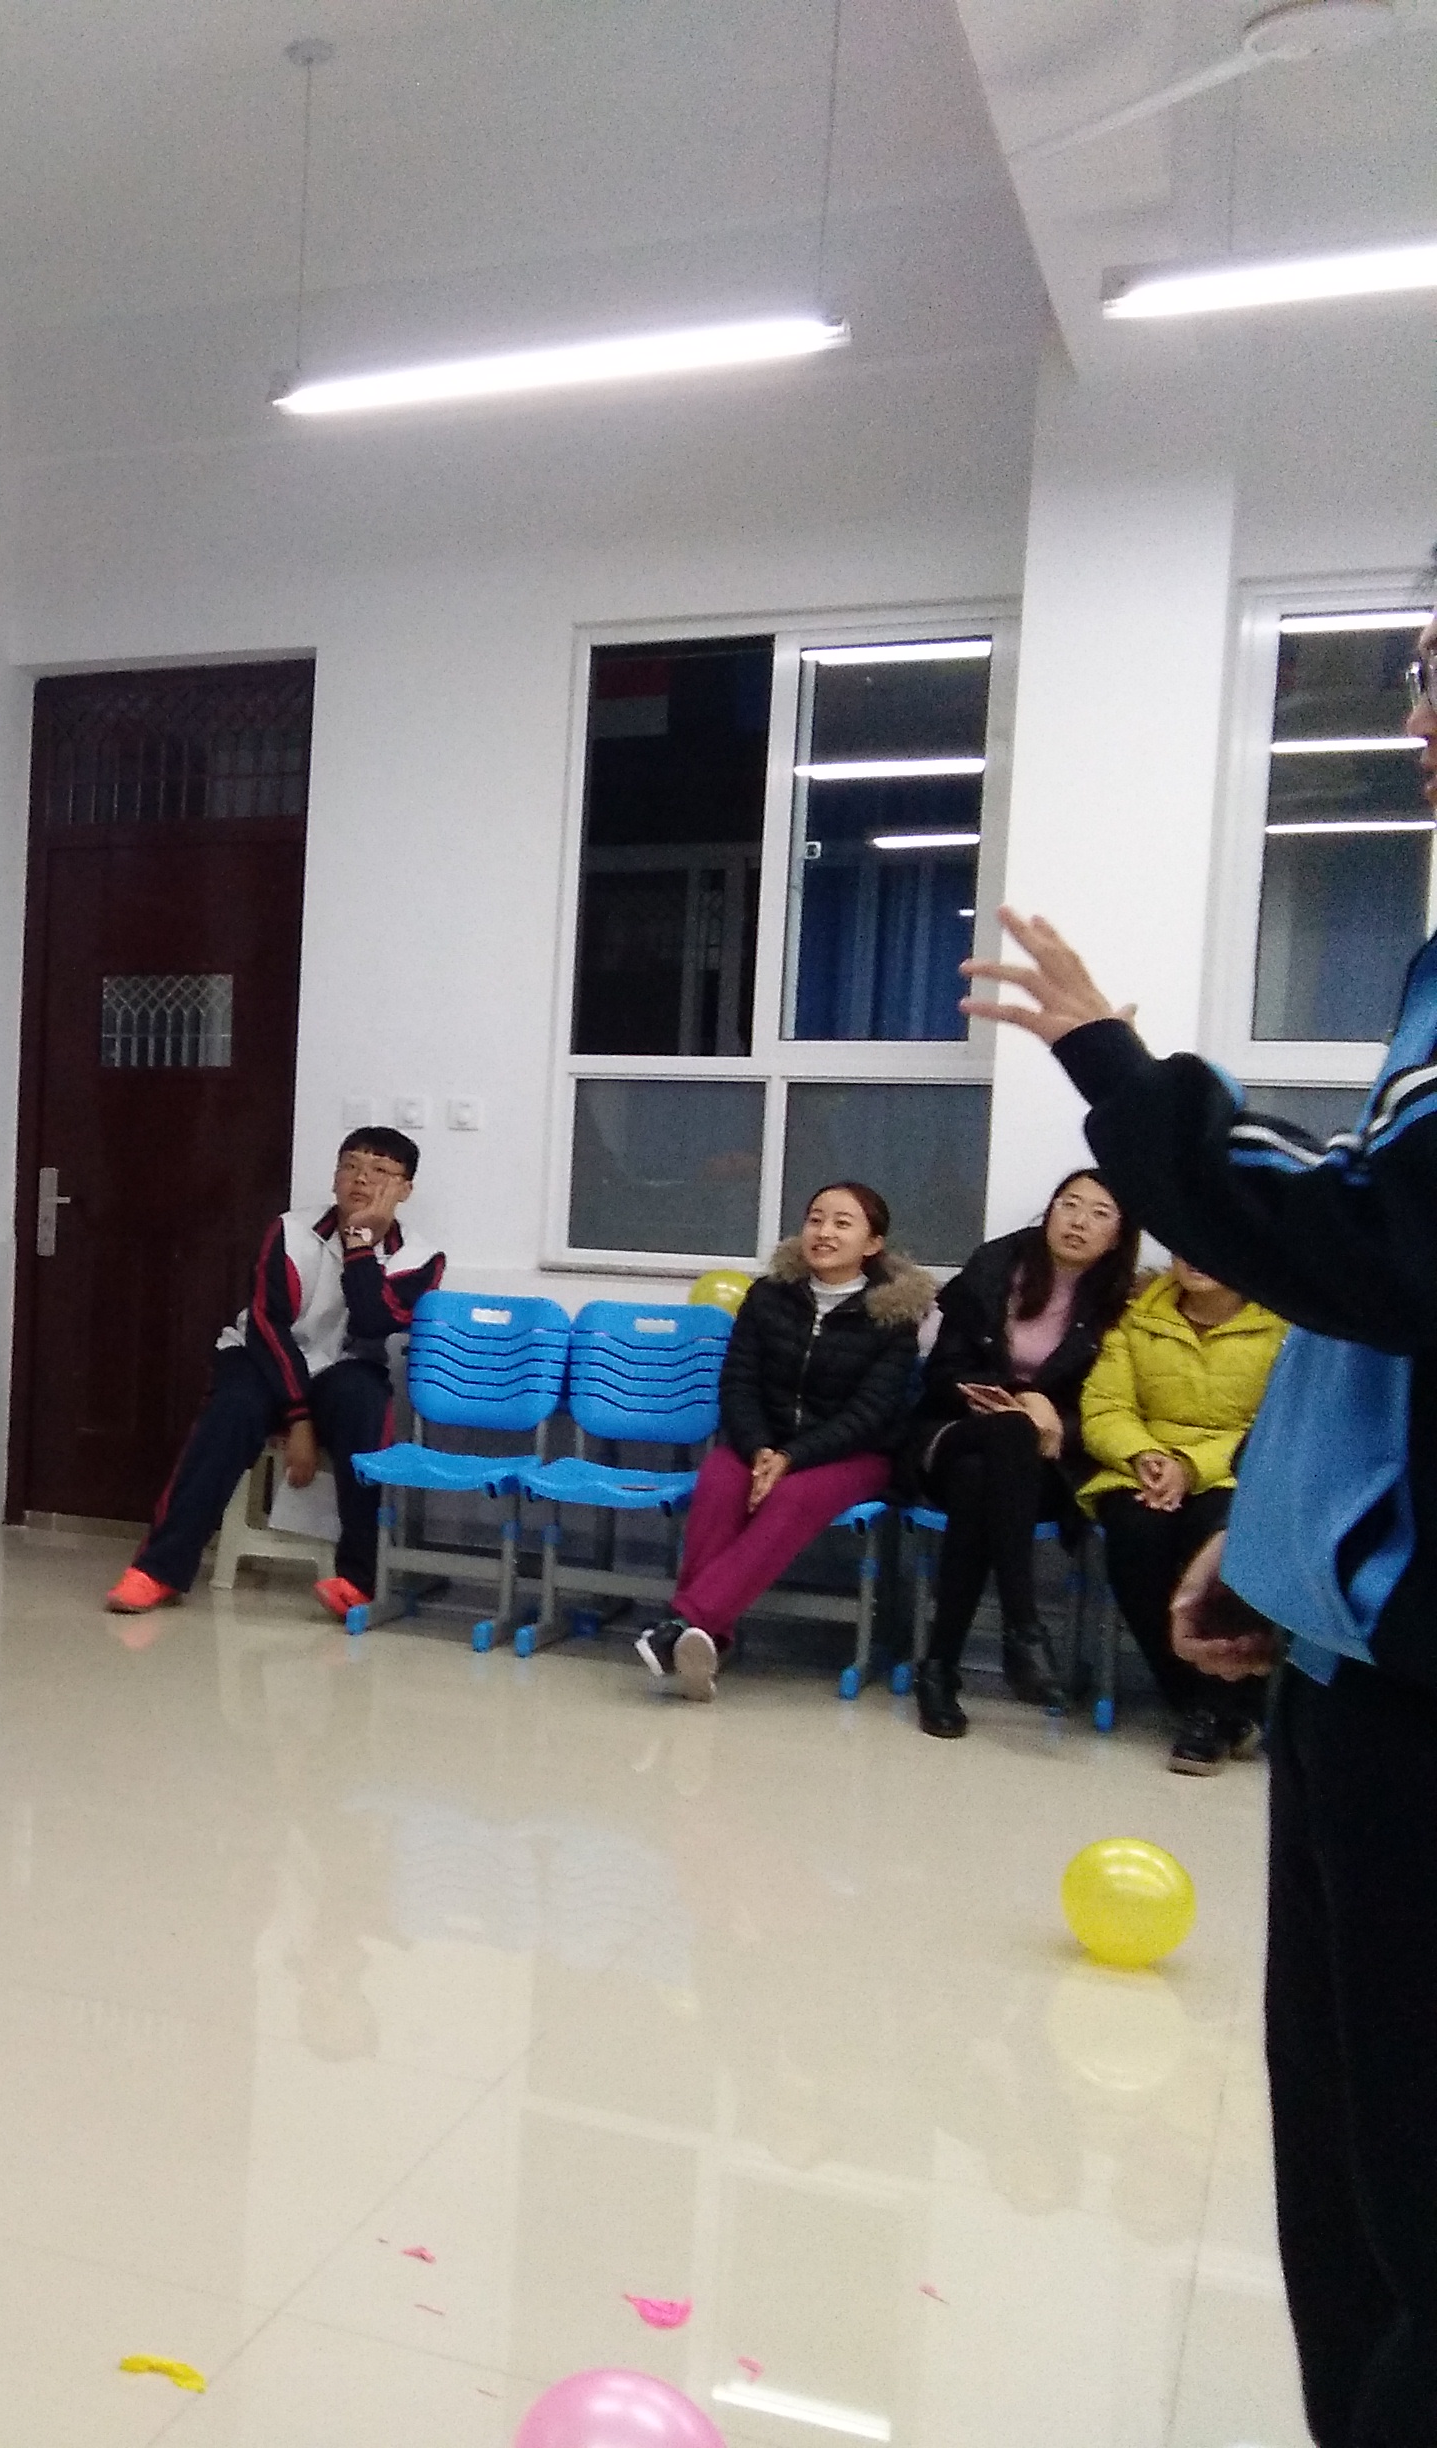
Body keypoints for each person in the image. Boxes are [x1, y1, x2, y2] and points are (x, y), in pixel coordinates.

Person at [960, 596, 1437, 2446]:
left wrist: (1118, 1071)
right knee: (1352, 2188)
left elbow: (1365, 1247)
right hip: (1357, 1661)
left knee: (1407, 2216)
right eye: (1421, 674)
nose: (1419, 722)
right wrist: (1290, 1533)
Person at [105, 1127, 444, 1625]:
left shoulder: (421, 1257)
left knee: (366, 1409)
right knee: (231, 1410)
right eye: (350, 1165)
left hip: (347, 1363)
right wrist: (299, 1419)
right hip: (262, 1354)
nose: (360, 1179)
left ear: (405, 1189)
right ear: (334, 1176)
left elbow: (374, 1322)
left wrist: (359, 1243)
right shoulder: (289, 1230)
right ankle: (159, 1570)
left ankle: (358, 1580)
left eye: (379, 1170)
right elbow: (268, 1325)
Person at [636, 1182, 931, 1702]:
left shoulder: (893, 1316)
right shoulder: (768, 1296)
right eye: (816, 1218)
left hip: (853, 1454)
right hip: (762, 1445)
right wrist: (759, 1450)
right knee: (720, 1482)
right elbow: (738, 1383)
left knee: (791, 1496)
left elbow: (870, 1414)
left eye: (842, 1223)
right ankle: (706, 1642)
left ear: (872, 1244)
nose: (824, 1232)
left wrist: (793, 1458)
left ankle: (684, 1623)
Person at [904, 1170, 1139, 1736]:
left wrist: (1056, 1421)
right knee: (1005, 1434)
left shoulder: (1122, 1306)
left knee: (980, 1481)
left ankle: (938, 1669)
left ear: (1119, 1236)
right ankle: (1023, 1626)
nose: (1079, 1222)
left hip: (1043, 1464)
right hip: (952, 1433)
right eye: (1069, 1205)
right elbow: (943, 1373)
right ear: (1049, 1211)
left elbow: (1112, 1404)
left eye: (1099, 1213)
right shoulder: (993, 1269)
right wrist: (1021, 1398)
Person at [1078, 1253, 1288, 1774]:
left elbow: (1275, 1426)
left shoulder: (1281, 1327)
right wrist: (1142, 1455)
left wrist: (1192, 1467)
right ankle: (1201, 1702)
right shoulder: (1139, 1316)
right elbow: (1105, 1406)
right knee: (1136, 1535)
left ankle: (1216, 1707)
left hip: (1237, 1474)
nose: (1195, 1258)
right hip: (1144, 1470)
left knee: (1217, 1540)